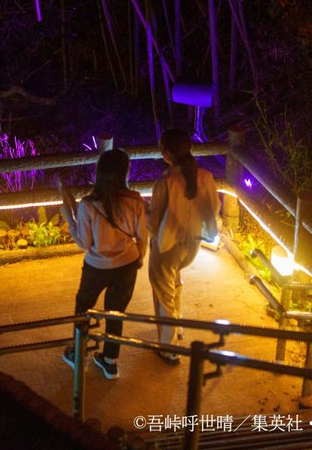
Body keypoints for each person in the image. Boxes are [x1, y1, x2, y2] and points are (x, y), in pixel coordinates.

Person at [58, 147, 149, 380]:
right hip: (127, 264)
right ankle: (110, 362)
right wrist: (140, 256)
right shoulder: (135, 200)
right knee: (116, 313)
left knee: (84, 308)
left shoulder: (88, 204)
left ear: (99, 173)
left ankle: (79, 353)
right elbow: (142, 235)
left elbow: (84, 243)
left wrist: (69, 218)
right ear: (125, 173)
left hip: (96, 267)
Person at [148, 128, 221, 365]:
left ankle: (170, 348)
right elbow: (214, 208)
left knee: (164, 294)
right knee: (175, 285)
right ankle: (177, 327)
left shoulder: (166, 182)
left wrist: (144, 212)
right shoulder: (206, 176)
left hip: (168, 247)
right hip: (193, 244)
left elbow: (154, 220)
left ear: (167, 154)